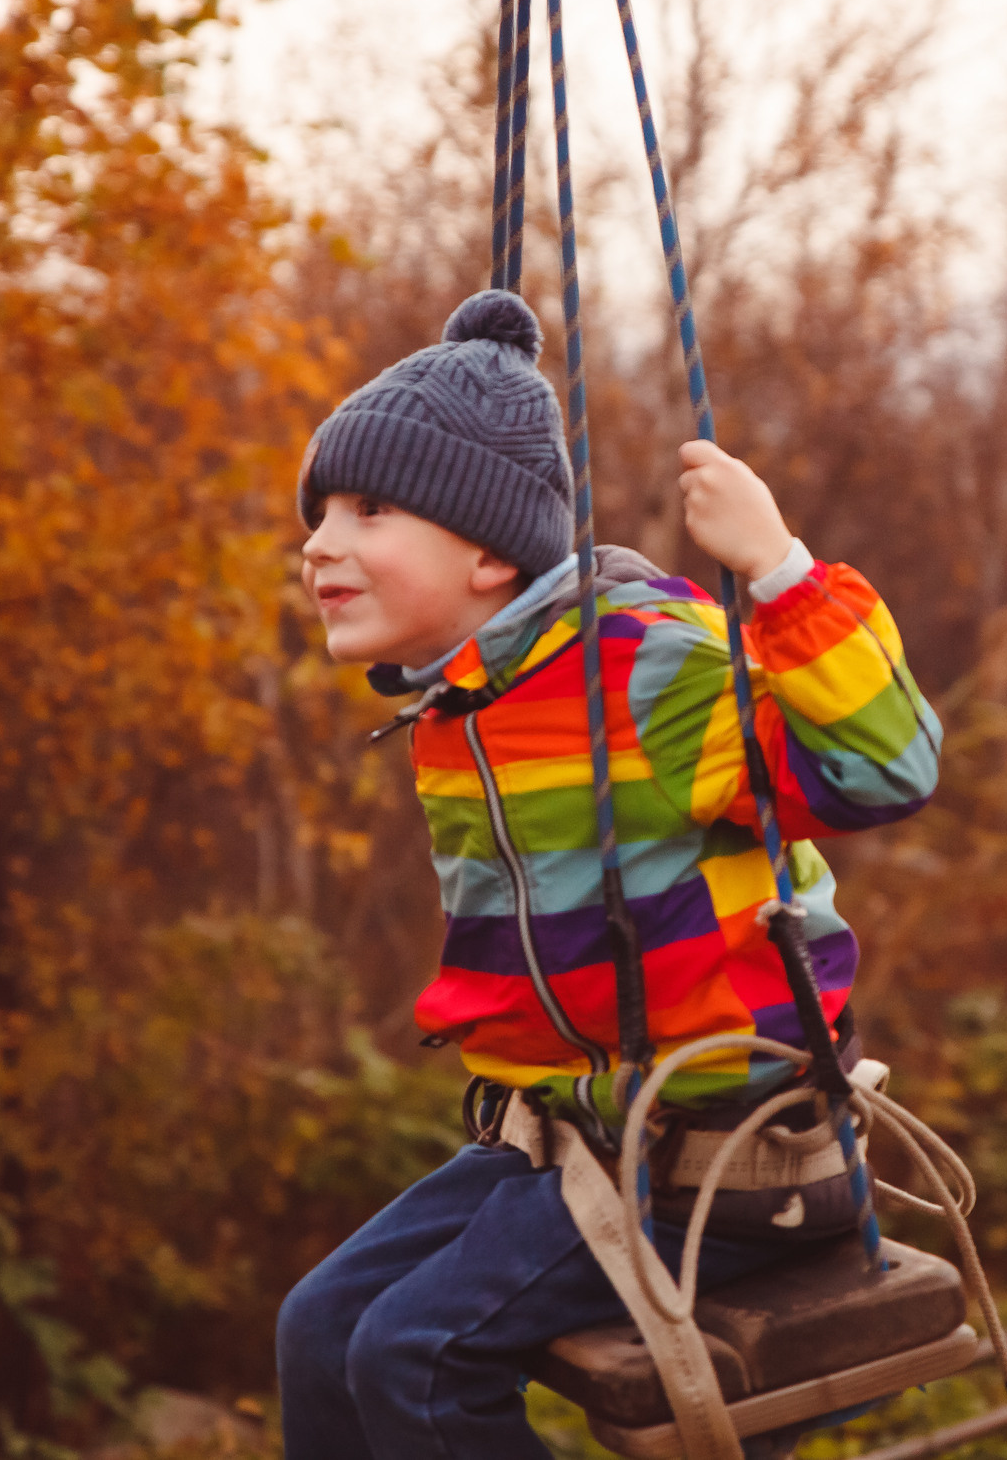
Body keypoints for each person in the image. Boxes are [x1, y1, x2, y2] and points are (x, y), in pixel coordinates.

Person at [274, 289, 942, 1459]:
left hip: (722, 1156)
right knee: (319, 1324)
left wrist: (778, 571)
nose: (320, 541)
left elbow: (888, 768)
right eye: (320, 510)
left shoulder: (641, 671)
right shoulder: (465, 701)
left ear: (488, 550)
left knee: (415, 1356)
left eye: (367, 509)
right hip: (576, 1143)